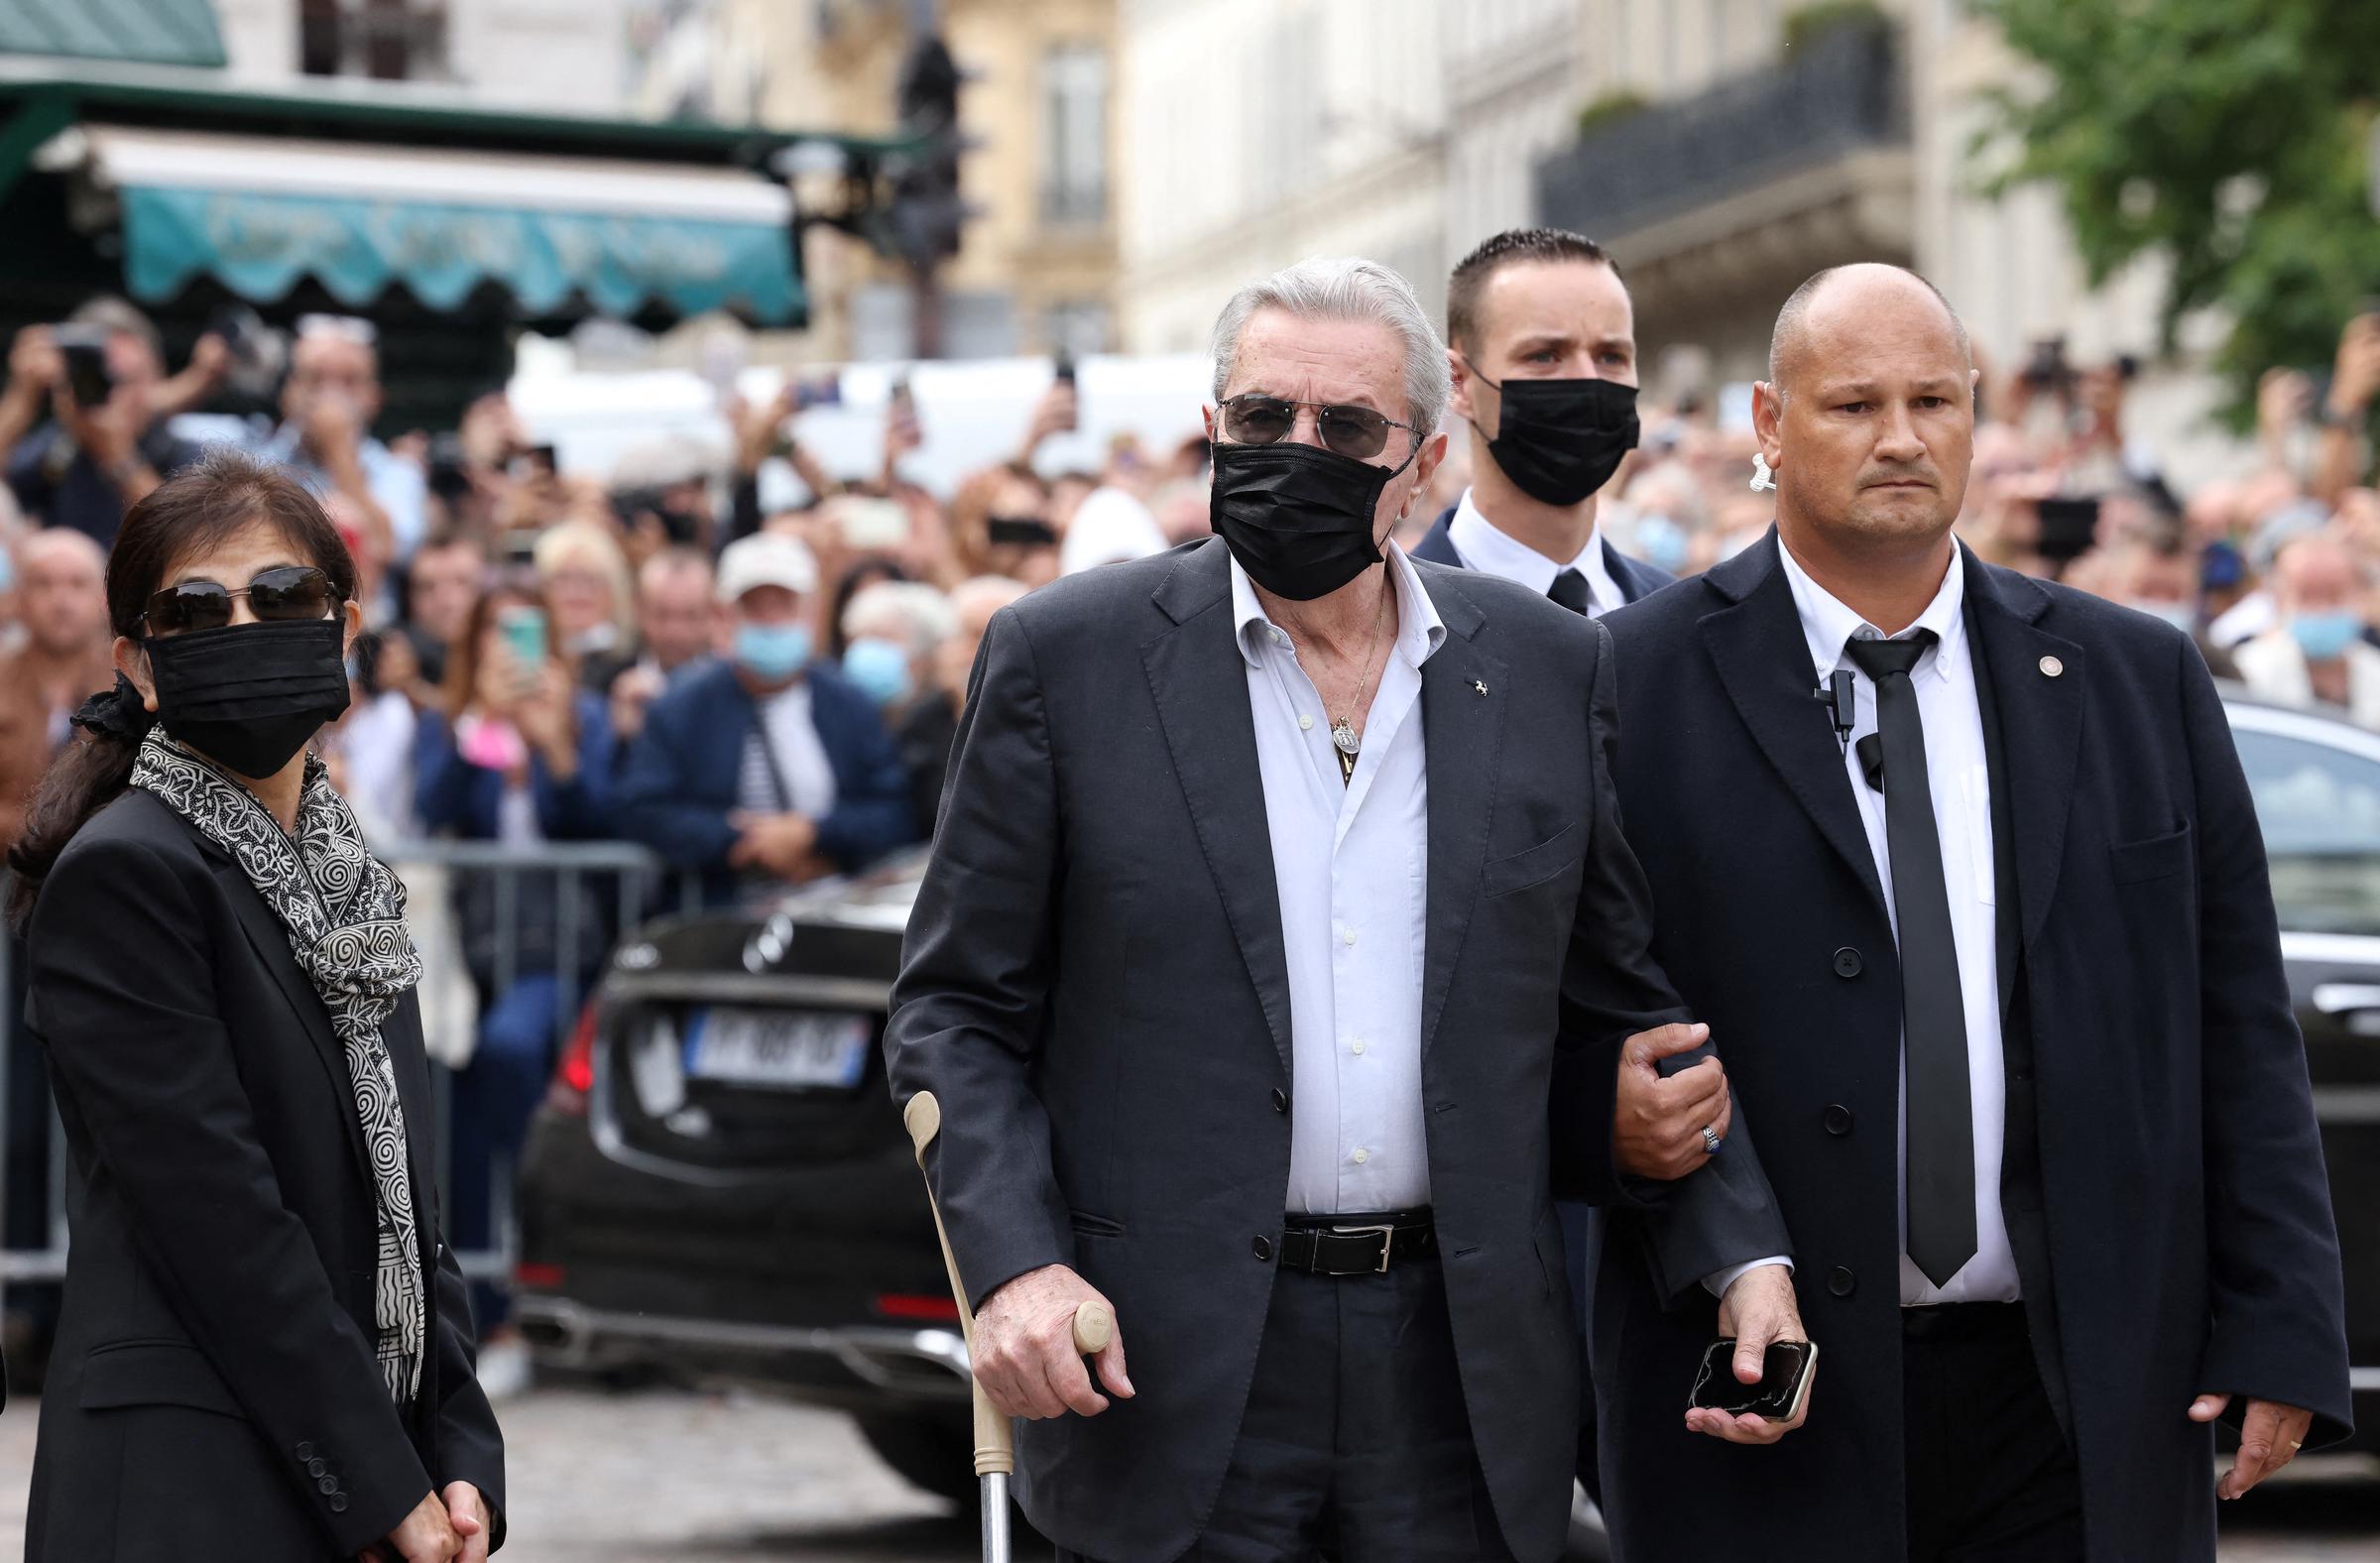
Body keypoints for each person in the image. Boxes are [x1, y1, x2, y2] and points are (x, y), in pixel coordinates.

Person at [884, 256, 1794, 1563]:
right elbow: (957, 1014)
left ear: (1421, 463)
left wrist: (1738, 1251)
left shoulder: (1542, 668)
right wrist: (1017, 1264)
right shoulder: (1065, 661)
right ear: (1214, 429)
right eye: (1262, 420)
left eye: (1344, 429)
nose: (1294, 450)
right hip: (1166, 1372)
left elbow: (1618, 1001)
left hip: (1459, 1377)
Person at [1596, 264, 2350, 1562]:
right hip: (1772, 1385)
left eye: (1933, 399)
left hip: (2080, 1389)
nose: (1900, 438)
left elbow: (2236, 1025)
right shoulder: (1636, 681)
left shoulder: (2134, 676)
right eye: (1854, 405)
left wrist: (2284, 1318)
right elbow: (1606, 1009)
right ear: (1770, 428)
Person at [8, 450, 503, 1560]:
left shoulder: (347, 877)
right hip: (197, 1484)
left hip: (358, 1465)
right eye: (197, 608)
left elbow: (405, 1201)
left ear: (344, 625)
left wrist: (463, 1452)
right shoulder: (128, 871)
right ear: (138, 664)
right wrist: (378, 1484)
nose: (246, 626)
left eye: (283, 597)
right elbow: (221, 1221)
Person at [415, 578, 615, 1390]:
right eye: (498, 634)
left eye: (527, 634)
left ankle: (542, 1277)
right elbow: (434, 807)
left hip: (557, 947)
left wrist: (556, 747)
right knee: (462, 1126)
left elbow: (599, 820)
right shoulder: (453, 723)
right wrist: (478, 730)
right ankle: (491, 1319)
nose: (513, 651)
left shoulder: (585, 716)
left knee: (510, 1059)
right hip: (472, 951)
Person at [616, 532, 915, 902]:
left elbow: (892, 809)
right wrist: (744, 840)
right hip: (716, 915)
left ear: (812, 613)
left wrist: (811, 834)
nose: (771, 620)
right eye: (755, 607)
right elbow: (644, 808)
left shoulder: (849, 704)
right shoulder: (680, 707)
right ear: (726, 617)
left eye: (784, 605)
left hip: (833, 907)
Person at [1408, 229, 1673, 613]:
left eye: (1611, 357)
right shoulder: (1396, 619)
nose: (1587, 380)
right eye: (1544, 356)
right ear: (1459, 383)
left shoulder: (1680, 618)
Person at [1, 300, 205, 547]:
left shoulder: (188, 456)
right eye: (96, 380)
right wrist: (22, 396)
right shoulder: (59, 447)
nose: (110, 396)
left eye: (122, 380)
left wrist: (119, 458)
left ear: (156, 376)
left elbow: (184, 544)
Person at [252, 316, 429, 565]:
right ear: (288, 392)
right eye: (315, 378)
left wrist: (338, 450)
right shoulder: (250, 460)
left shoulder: (399, 472)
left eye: (349, 381)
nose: (331, 395)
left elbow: (390, 549)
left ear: (374, 398)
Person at [900, 573, 1026, 835]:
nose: (975, 650)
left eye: (986, 636)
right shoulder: (924, 718)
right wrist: (964, 713)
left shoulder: (1039, 709)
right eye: (966, 635)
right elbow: (933, 810)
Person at [2232, 533, 2380, 726]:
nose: (2321, 610)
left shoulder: (2375, 671)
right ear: (2279, 599)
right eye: (2306, 596)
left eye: (2333, 595)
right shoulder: (2249, 671)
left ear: (2361, 596)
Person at [607, 546, 719, 751]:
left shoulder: (737, 684)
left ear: (713, 613)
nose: (675, 631)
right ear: (639, 610)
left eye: (690, 615)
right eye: (662, 614)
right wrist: (620, 739)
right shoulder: (604, 681)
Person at [532, 520, 638, 694]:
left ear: (614, 591)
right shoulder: (530, 660)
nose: (576, 591)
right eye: (563, 578)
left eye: (590, 579)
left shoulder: (633, 665)